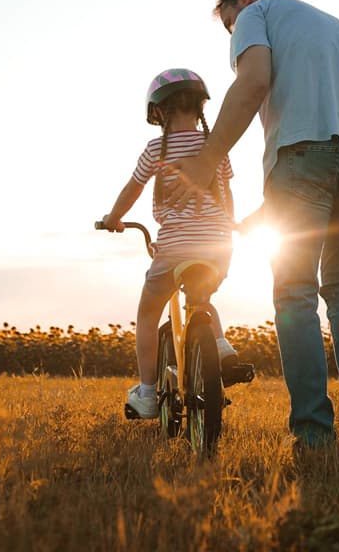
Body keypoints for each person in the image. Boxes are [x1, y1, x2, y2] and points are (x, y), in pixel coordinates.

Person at [166, 0, 339, 449]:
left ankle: (312, 429)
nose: (233, 34)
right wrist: (264, 214)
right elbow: (330, 142)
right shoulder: (333, 27)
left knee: (295, 293)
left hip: (303, 157)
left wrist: (207, 160)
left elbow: (253, 85)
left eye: (228, 23)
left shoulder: (256, 15)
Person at [101, 68, 249, 420]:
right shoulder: (215, 148)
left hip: (173, 248)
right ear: (199, 108)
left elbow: (132, 189)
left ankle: (148, 393)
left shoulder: (156, 149)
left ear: (160, 112)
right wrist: (229, 225)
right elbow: (227, 194)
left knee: (148, 314)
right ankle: (220, 344)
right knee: (202, 297)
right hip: (218, 246)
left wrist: (113, 218)